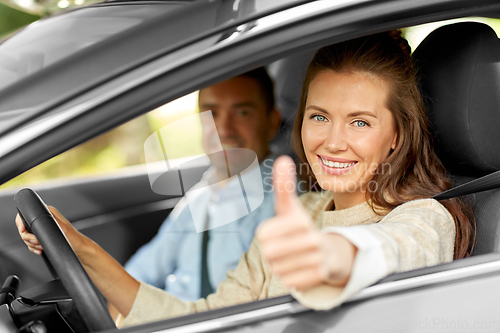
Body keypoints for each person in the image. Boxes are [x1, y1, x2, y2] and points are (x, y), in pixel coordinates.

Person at [16, 31, 475, 328]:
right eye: (319, 116)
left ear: (396, 135)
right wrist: (83, 250)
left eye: (360, 122)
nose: (332, 142)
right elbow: (206, 318)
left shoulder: (427, 218)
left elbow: (387, 250)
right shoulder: (302, 210)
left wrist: (326, 257)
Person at [123, 68, 282, 301]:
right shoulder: (201, 194)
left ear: (271, 123)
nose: (224, 130)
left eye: (242, 112)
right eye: (212, 113)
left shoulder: (281, 202)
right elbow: (140, 274)